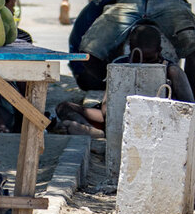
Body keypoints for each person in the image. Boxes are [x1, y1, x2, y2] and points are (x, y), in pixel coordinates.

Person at [55, 24, 193, 136]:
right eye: (139, 57)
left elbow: (189, 108)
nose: (143, 63)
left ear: (160, 50)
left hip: (157, 122)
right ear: (131, 49)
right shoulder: (119, 65)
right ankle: (95, 131)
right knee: (63, 108)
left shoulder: (172, 70)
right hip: (117, 118)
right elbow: (106, 109)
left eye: (149, 59)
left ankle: (96, 133)